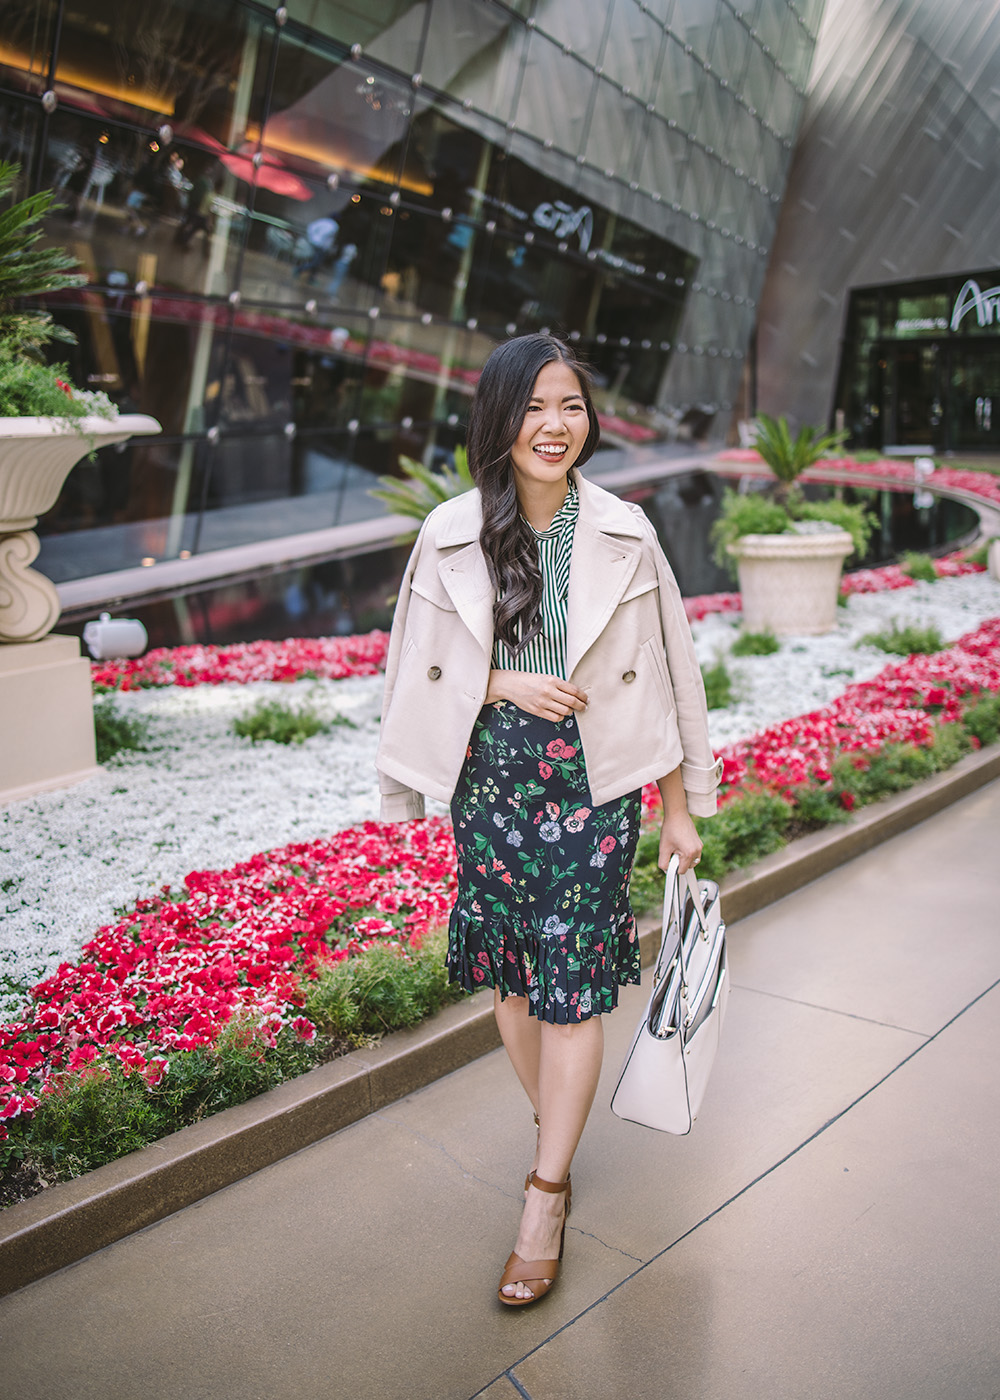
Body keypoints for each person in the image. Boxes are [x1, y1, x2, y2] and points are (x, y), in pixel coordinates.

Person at [375, 333, 721, 1307]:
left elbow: (672, 668)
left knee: (570, 985)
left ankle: (546, 1189)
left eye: (569, 405)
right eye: (533, 406)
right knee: (515, 983)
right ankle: (555, 1125)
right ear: (499, 417)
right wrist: (497, 680)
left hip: (594, 785)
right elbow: (411, 668)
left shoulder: (624, 528)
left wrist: (681, 802)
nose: (554, 425)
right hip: (486, 785)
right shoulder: (448, 532)